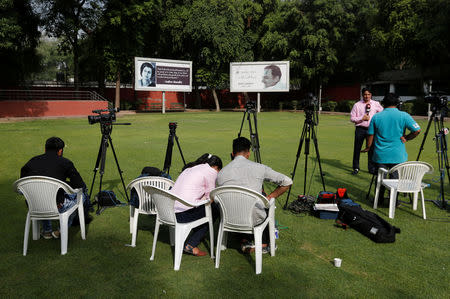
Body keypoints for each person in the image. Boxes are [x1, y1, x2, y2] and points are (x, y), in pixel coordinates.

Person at [216, 137, 292, 252]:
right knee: (265, 204)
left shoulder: (221, 173)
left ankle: (244, 240)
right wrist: (270, 197)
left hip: (229, 217)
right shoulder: (260, 168)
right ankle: (263, 244)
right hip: (252, 218)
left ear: (232, 153)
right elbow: (287, 181)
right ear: (248, 154)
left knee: (239, 203)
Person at [20, 137, 92, 239]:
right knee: (82, 196)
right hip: (57, 206)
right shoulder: (65, 162)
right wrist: (63, 183)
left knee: (41, 193)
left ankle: (47, 231)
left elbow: (22, 186)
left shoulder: (32, 161)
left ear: (45, 149)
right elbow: (79, 185)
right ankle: (60, 231)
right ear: (60, 151)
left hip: (34, 204)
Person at [362, 93, 421, 203]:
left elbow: (370, 135)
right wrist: (407, 137)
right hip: (398, 155)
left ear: (384, 103)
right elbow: (417, 130)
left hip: (380, 154)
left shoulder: (377, 116)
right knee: (395, 179)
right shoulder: (404, 115)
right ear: (397, 103)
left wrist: (368, 147)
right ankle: (393, 201)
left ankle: (378, 200)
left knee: (380, 178)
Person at [170, 153, 222, 257]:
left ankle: (199, 233)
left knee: (204, 209)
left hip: (169, 211)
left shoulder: (189, 168)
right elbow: (210, 199)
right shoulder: (211, 172)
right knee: (215, 209)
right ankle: (191, 244)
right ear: (216, 168)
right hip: (182, 214)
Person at [350, 87, 383, 175]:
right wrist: (362, 118)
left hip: (372, 130)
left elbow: (383, 113)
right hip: (360, 129)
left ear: (371, 95)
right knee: (357, 148)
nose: (367, 96)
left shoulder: (376, 104)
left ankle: (371, 168)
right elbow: (352, 118)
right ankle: (356, 167)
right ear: (362, 95)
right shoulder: (357, 105)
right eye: (365, 94)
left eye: (368, 94)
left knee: (371, 149)